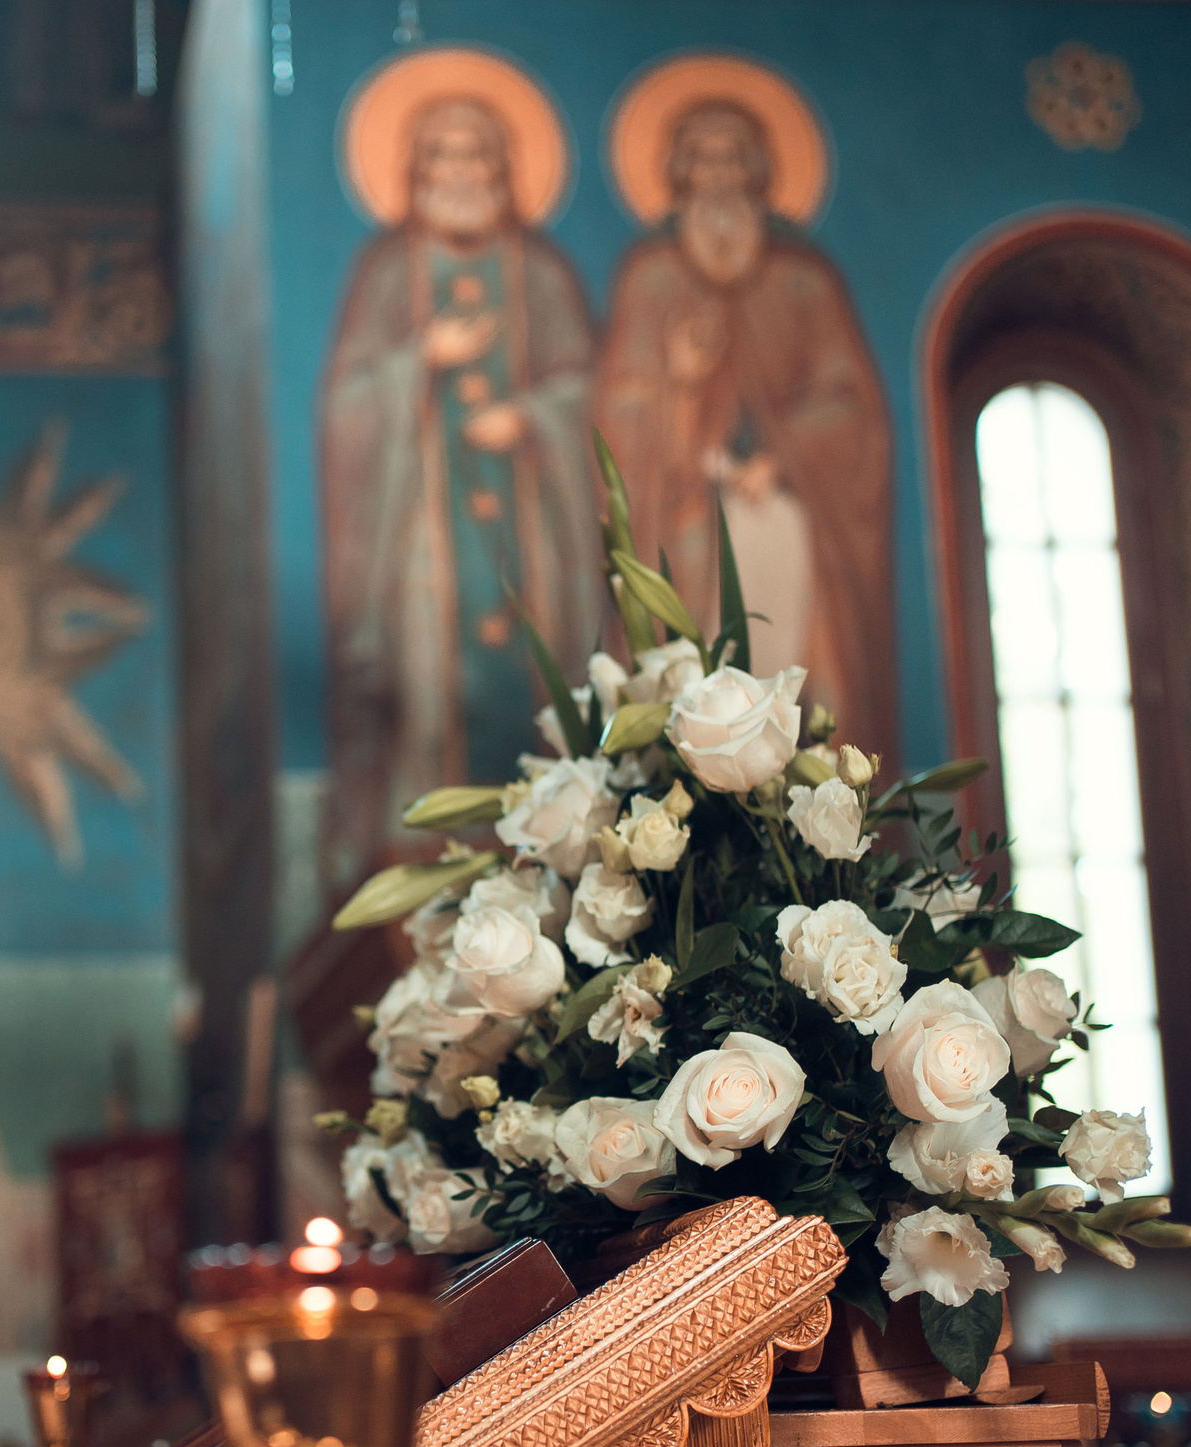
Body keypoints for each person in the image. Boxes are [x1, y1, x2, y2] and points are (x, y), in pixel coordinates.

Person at [318, 95, 600, 897]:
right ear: (417, 173)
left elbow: (587, 387)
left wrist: (533, 418)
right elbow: (346, 404)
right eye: (442, 157)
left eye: (477, 157)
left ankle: (550, 859)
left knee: (539, 689)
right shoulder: (385, 274)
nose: (461, 173)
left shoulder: (541, 277)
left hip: (528, 530)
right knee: (426, 684)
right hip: (421, 533)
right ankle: (422, 855)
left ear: (502, 172)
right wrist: (419, 360)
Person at [593, 100, 896, 759]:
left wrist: (781, 459)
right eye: (703, 159)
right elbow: (620, 412)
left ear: (760, 172)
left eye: (735, 159)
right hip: (682, 523)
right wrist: (679, 381)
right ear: (680, 174)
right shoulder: (650, 279)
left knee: (793, 684)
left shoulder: (803, 282)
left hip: (787, 519)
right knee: (686, 673)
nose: (720, 175)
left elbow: (849, 403)